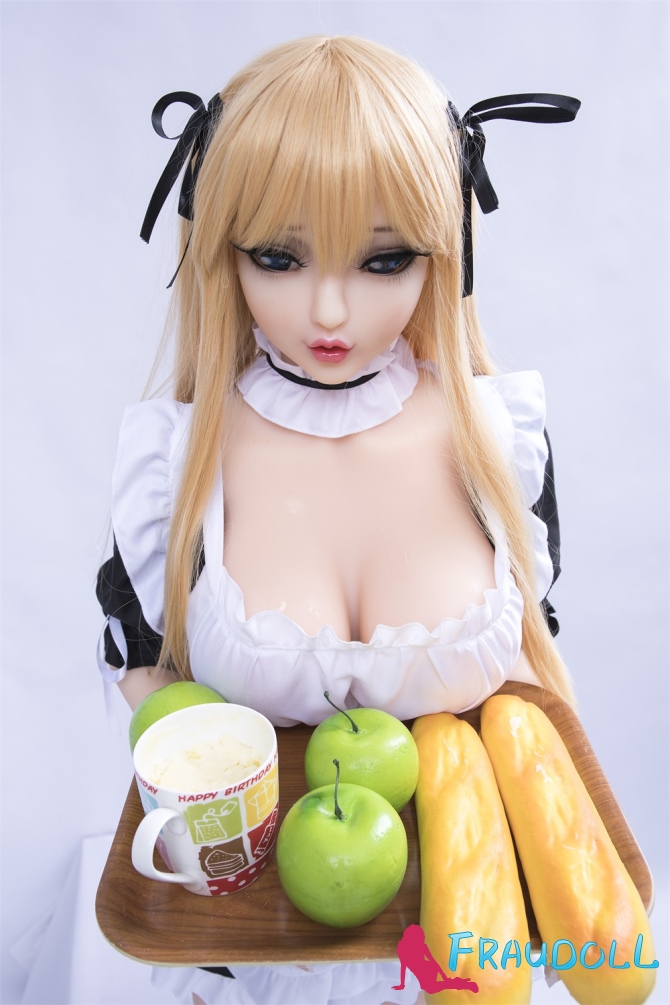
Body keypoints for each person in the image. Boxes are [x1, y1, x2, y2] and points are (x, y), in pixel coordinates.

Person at [97, 35, 578, 1005]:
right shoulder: (172, 470)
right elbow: (142, 679)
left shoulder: (501, 442)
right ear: (220, 250)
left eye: (383, 259)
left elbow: (536, 684)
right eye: (277, 256)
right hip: (250, 958)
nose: (328, 308)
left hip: (471, 960)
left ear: (445, 252)